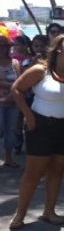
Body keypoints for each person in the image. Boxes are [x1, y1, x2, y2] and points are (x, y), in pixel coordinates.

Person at [8, 34, 64, 230]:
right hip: (40, 127)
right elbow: (16, 89)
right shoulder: (41, 70)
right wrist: (28, 116)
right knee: (34, 172)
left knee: (56, 171)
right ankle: (20, 214)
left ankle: (49, 211)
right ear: (58, 48)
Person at [0, 32, 21, 167]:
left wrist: (9, 91)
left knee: (11, 130)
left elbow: (21, 82)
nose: (2, 48)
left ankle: (8, 158)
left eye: (4, 46)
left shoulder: (15, 62)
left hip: (13, 101)